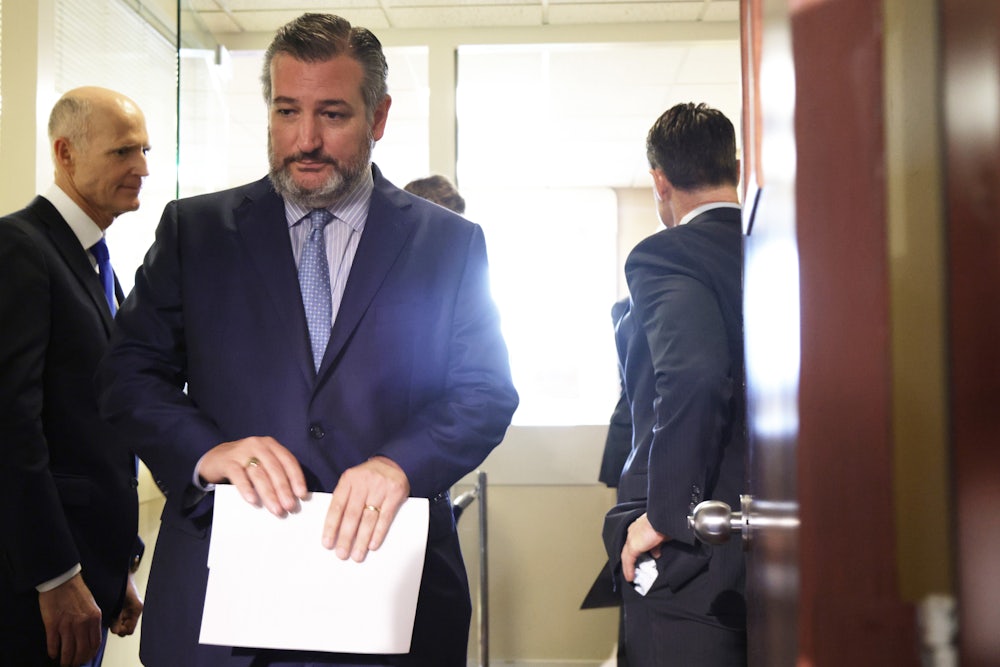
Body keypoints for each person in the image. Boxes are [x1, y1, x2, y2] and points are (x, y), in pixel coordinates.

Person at [96, 13, 518, 667]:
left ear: (378, 117)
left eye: (333, 114)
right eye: (287, 111)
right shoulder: (196, 232)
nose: (306, 139)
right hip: (223, 611)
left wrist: (399, 463)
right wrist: (208, 450)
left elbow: (485, 392)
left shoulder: (449, 246)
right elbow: (127, 375)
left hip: (389, 601)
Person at [0, 86, 148, 667]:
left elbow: (93, 426)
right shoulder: (21, 249)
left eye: (144, 150)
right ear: (65, 153)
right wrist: (55, 575)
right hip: (36, 590)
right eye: (122, 153)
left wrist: (113, 568)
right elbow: (12, 428)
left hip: (90, 575)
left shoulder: (94, 260)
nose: (141, 167)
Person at [602, 102, 747, 665]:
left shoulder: (668, 255)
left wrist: (665, 515)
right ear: (733, 165)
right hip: (782, 538)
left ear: (659, 180)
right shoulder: (788, 248)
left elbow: (693, 374)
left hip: (695, 550)